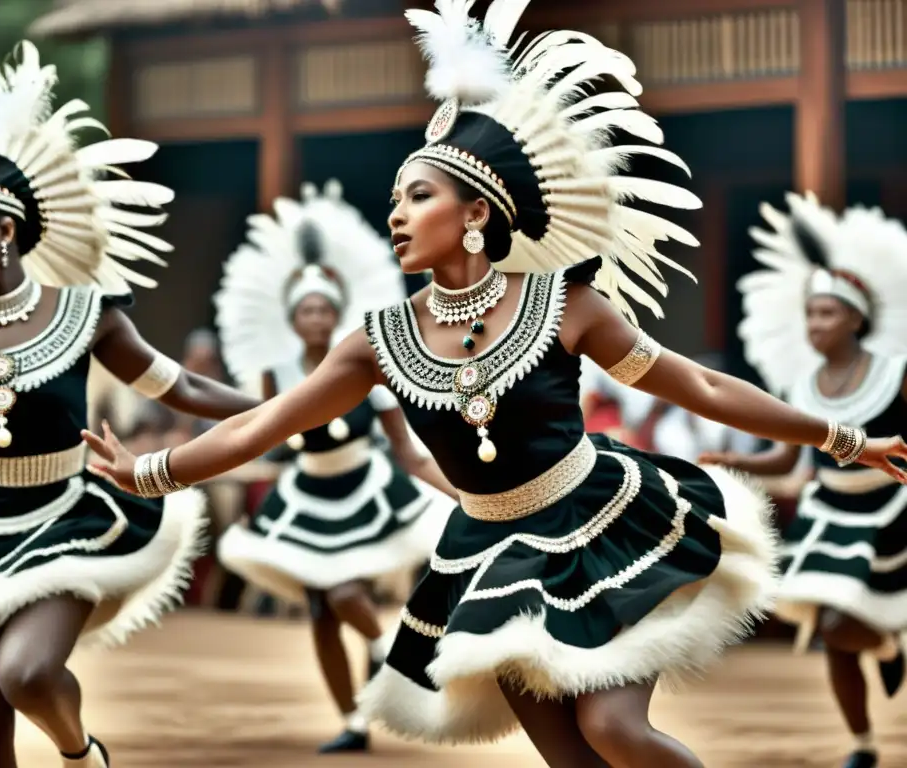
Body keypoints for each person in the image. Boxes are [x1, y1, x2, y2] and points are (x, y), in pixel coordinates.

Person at [83, 4, 907, 766]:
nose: (396, 215)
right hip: (488, 557)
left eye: (419, 195)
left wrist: (843, 438)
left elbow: (702, 387)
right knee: (573, 758)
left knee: (614, 728)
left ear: (476, 213)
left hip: (599, 526)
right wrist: (151, 472)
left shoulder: (565, 305)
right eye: (395, 200)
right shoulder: (376, 343)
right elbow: (262, 426)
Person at [0, 22, 260, 768]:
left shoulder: (88, 316)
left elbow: (176, 383)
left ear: (7, 231)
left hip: (68, 520)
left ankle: (80, 752)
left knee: (27, 673)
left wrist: (276, 409)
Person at [214, 180, 457, 753]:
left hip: (365, 490)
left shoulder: (365, 364)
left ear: (336, 313)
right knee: (321, 609)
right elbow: (261, 436)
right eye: (307, 311)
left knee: (346, 592)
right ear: (293, 318)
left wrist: (461, 490)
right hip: (305, 494)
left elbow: (406, 448)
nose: (316, 318)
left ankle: (378, 646)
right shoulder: (277, 374)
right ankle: (351, 721)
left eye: (325, 309)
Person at [701, 192, 907, 768]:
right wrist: (730, 463)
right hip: (829, 515)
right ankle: (864, 744)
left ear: (857, 318)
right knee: (834, 629)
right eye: (810, 313)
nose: (815, 324)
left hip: (893, 512)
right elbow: (790, 463)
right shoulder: (803, 387)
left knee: (843, 625)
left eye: (827, 313)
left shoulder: (895, 373)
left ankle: (887, 641)